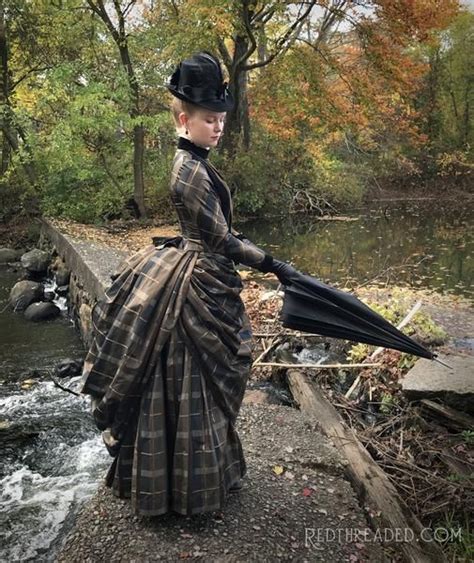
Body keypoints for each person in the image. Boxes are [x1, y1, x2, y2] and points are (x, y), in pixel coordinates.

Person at [79, 51, 297, 517]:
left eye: (221, 120)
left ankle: (193, 481)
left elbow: (218, 229)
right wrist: (275, 263)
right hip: (195, 282)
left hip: (199, 271)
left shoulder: (195, 162)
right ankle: (184, 493)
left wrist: (257, 252)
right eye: (209, 120)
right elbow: (220, 239)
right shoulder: (188, 171)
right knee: (187, 380)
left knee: (193, 382)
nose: (218, 128)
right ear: (184, 118)